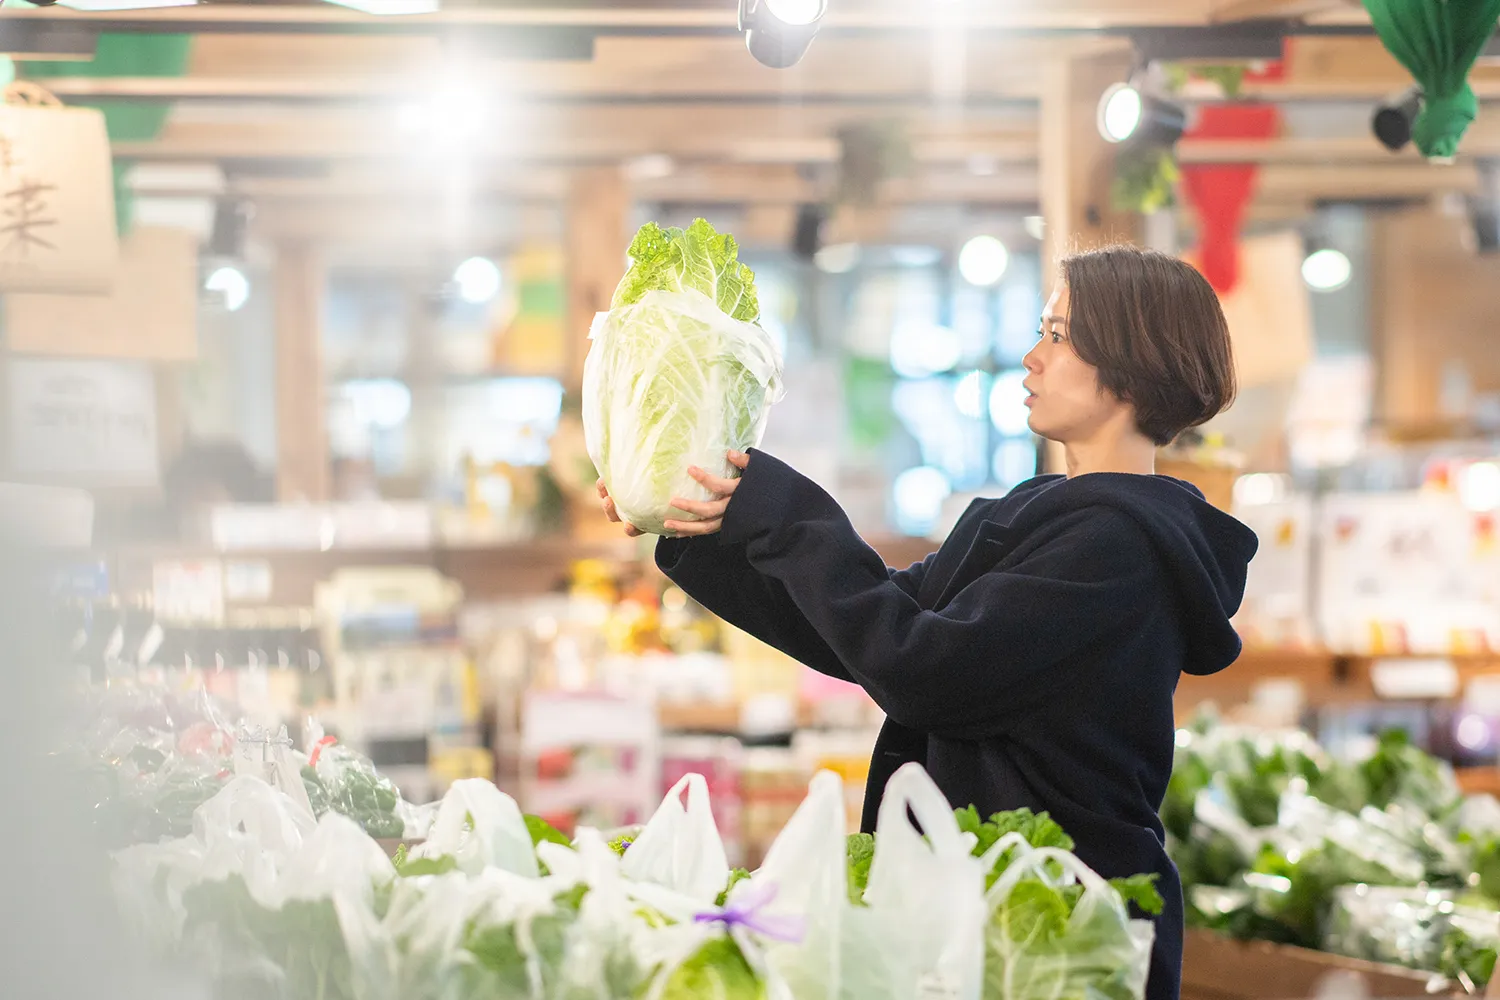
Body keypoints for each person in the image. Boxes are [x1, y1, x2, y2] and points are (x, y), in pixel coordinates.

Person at [598, 244, 1259, 1000]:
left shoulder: (1118, 549)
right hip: (987, 905)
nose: (1031, 356)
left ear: (1130, 362)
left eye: (1057, 335)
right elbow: (863, 634)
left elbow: (923, 671)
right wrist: (699, 523)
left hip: (1058, 923)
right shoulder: (1040, 513)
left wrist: (781, 508)